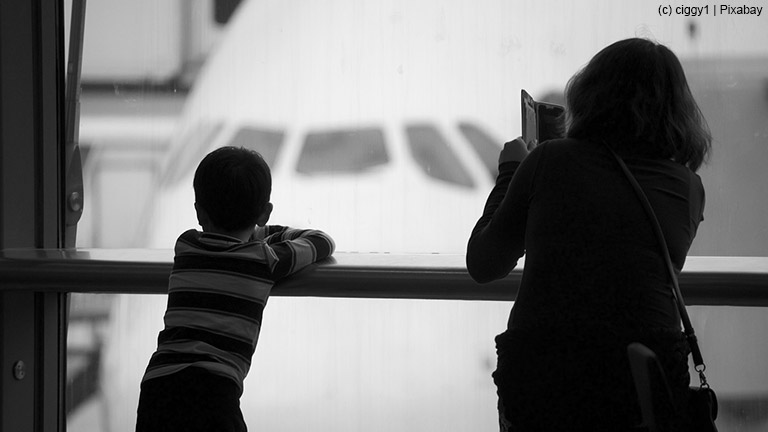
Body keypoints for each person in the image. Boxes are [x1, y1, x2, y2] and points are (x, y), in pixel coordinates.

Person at [466, 38, 712, 431]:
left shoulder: (549, 160)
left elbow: (484, 262)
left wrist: (513, 169)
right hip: (645, 373)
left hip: (547, 371)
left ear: (589, 95)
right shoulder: (689, 188)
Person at [135, 146, 335, 432]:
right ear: (264, 213)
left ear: (199, 212)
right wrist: (259, 229)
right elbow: (320, 241)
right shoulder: (266, 259)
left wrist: (252, 227)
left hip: (158, 386)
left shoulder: (187, 245)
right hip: (215, 391)